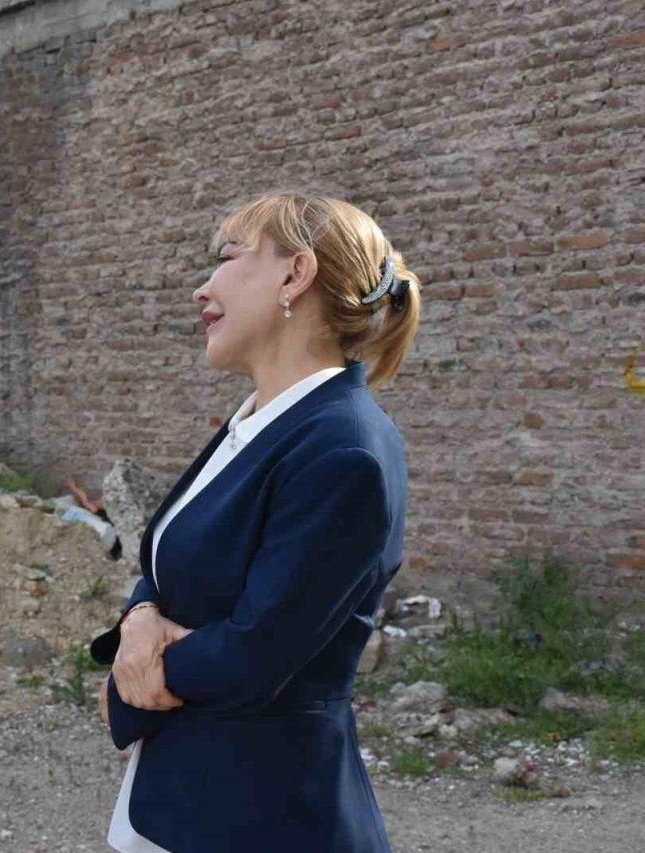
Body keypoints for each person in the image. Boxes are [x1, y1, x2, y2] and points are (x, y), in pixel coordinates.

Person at [91, 193, 421, 852]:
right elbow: (170, 558)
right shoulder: (258, 421)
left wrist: (122, 694)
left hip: (267, 818)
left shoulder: (344, 448)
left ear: (294, 274)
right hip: (179, 804)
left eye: (227, 258)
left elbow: (256, 650)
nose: (200, 287)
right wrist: (139, 619)